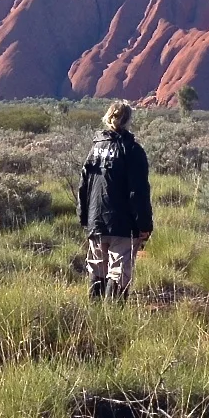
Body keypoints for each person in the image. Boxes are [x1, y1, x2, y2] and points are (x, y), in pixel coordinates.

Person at [77, 100, 152, 301]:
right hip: (123, 224)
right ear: (128, 120)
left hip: (96, 221)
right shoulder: (132, 150)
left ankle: (95, 316)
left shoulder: (95, 149)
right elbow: (139, 191)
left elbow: (83, 185)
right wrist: (144, 225)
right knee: (119, 270)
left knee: (97, 265)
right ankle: (113, 321)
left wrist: (84, 217)